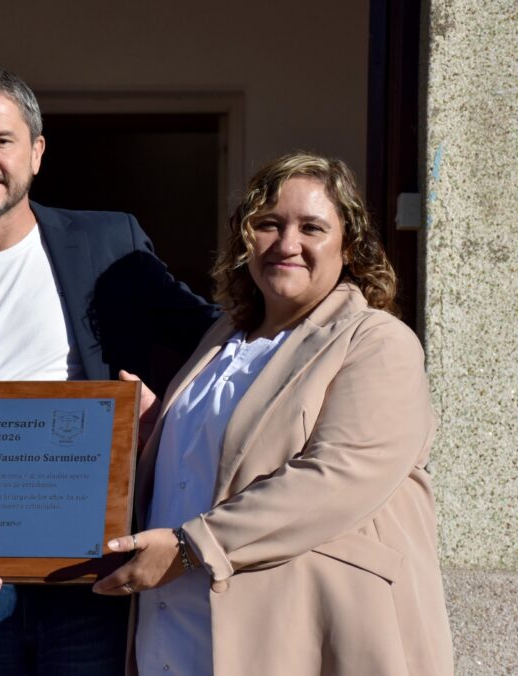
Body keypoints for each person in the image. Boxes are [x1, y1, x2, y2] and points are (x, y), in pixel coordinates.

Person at [0, 67, 219, 675]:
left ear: (36, 152)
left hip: (94, 579)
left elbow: (215, 339)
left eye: (2, 140)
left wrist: (165, 417)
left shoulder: (111, 243)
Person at [93, 152, 454, 675]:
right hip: (177, 629)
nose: (287, 244)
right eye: (268, 224)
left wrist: (190, 548)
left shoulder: (377, 341)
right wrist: (160, 434)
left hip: (299, 639)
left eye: (312, 228)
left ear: (349, 245)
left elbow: (338, 475)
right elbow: (219, 458)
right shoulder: (223, 338)